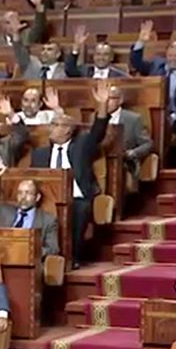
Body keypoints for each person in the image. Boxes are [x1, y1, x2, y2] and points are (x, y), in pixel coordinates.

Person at [29, 83, 110, 266]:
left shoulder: (81, 146)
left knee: (79, 210)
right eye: (51, 125)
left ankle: (72, 258)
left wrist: (102, 104)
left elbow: (98, 130)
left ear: (68, 130)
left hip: (77, 198)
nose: (51, 128)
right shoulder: (40, 154)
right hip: (47, 200)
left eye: (55, 125)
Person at [130, 20, 176, 168]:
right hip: (154, 113)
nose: (172, 59)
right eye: (170, 55)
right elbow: (137, 63)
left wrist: (174, 115)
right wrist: (141, 42)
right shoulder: (157, 65)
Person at [0, 162, 61, 258]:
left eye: (28, 193)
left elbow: (53, 249)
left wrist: (27, 251)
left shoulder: (48, 220)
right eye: (20, 193)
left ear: (37, 197)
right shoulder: (2, 210)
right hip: (0, 259)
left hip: (28, 262)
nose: (23, 197)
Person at [104, 87, 154, 187]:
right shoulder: (96, 118)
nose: (106, 103)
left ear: (120, 100)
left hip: (125, 164)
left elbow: (148, 144)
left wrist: (133, 153)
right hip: (101, 162)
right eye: (104, 99)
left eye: (110, 98)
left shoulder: (133, 119)